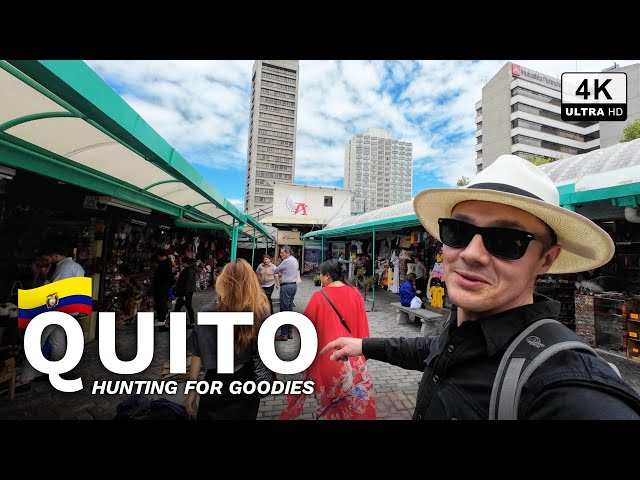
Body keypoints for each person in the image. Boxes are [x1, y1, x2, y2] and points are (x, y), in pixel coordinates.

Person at [320, 154, 640, 420]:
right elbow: (432, 351)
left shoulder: (568, 391)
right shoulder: (463, 329)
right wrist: (363, 346)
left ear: (546, 260)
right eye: (458, 231)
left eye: (506, 240)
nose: (471, 253)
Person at [279, 259, 376, 420]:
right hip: (352, 356)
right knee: (354, 405)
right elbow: (363, 326)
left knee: (329, 405)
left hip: (327, 359)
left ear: (328, 277)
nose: (320, 278)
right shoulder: (355, 293)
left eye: (321, 275)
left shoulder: (319, 297)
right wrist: (363, 351)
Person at [184, 259, 270, 420]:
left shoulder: (208, 312)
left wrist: (192, 391)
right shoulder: (260, 311)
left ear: (223, 282)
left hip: (215, 381)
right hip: (247, 382)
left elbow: (197, 355)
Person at [17, 240, 85, 389]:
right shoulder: (75, 267)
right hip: (69, 311)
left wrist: (43, 277)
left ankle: (25, 378)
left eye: (48, 257)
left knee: (36, 340)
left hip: (57, 311)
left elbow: (53, 293)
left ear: (54, 255)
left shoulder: (64, 268)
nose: (46, 261)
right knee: (57, 341)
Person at [273, 245, 299, 341]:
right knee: (289, 309)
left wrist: (280, 273)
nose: (280, 254)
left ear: (287, 253)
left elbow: (275, 270)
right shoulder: (295, 260)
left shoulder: (286, 261)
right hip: (293, 286)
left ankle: (284, 335)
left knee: (284, 310)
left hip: (286, 286)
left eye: (282, 252)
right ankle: (290, 333)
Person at [174, 256, 197, 327]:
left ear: (186, 263)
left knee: (179, 306)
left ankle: (174, 323)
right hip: (188, 291)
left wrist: (184, 294)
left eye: (182, 263)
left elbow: (187, 283)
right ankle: (192, 322)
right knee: (187, 306)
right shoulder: (190, 269)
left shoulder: (189, 270)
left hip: (186, 292)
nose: (182, 265)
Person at [152, 249, 173, 328]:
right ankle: (162, 317)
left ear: (160, 256)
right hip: (164, 286)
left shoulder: (164, 264)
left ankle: (162, 318)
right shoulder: (167, 263)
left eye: (158, 257)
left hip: (162, 286)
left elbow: (162, 276)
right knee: (162, 301)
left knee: (161, 301)